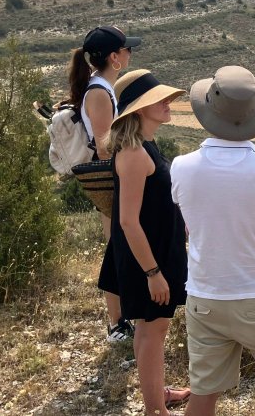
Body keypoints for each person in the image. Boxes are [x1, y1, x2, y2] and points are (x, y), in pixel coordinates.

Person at [171, 66, 255, 416]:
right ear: (254, 116)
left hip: (205, 298)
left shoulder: (181, 167)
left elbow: (190, 218)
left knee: (203, 396)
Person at [97, 70, 191, 415]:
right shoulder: (135, 154)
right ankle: (156, 409)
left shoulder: (144, 145)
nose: (168, 103)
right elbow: (127, 221)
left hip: (156, 249)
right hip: (148, 257)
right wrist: (153, 272)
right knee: (153, 330)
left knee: (150, 329)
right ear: (138, 109)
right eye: (159, 99)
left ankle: (156, 394)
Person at [60, 25, 141, 342]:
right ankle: (117, 323)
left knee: (118, 243)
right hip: (111, 176)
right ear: (114, 57)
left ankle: (122, 318)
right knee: (116, 246)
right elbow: (107, 144)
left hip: (111, 173)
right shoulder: (99, 92)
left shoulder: (98, 88)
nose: (130, 53)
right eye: (127, 49)